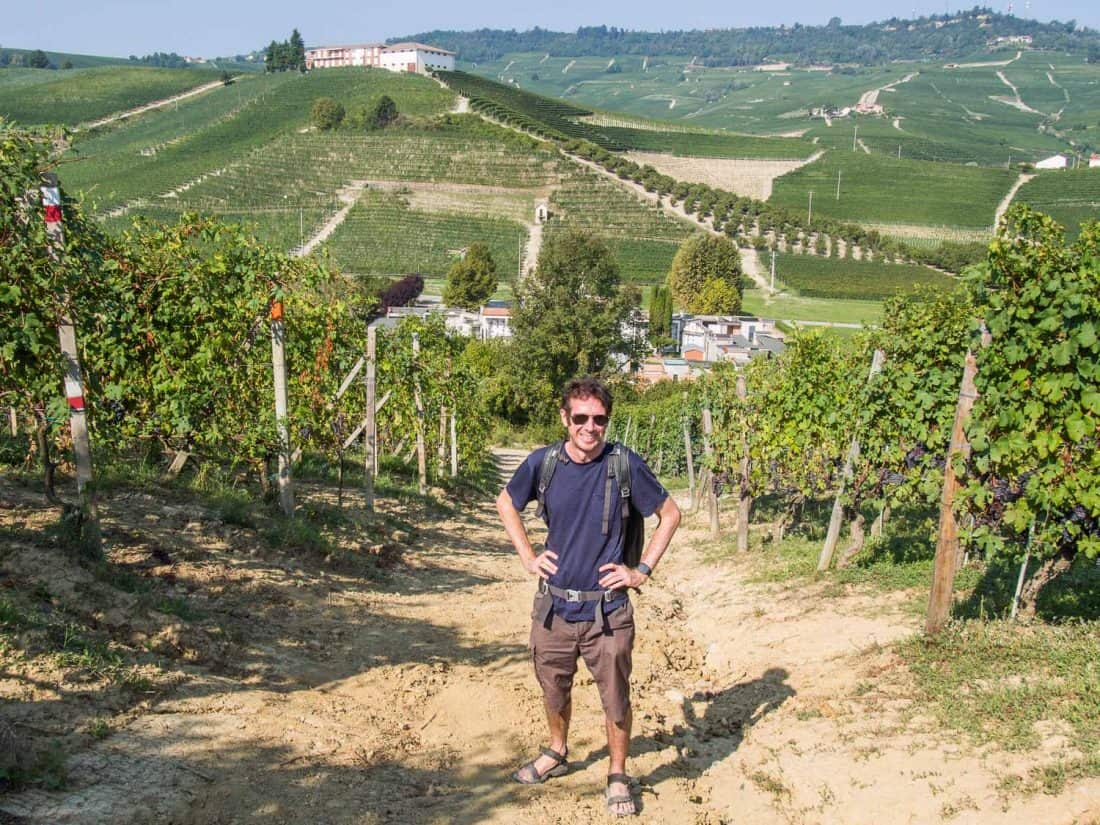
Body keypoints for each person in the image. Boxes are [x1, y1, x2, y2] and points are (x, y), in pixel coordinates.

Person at [496, 377, 681, 817]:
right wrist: (528, 556)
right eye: (581, 418)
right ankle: (557, 751)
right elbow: (506, 502)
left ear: (606, 422)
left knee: (615, 697)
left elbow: (670, 513)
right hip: (554, 607)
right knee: (553, 689)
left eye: (599, 419)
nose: (590, 427)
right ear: (565, 418)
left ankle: (618, 773)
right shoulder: (544, 463)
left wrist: (641, 572)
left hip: (607, 611)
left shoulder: (624, 465)